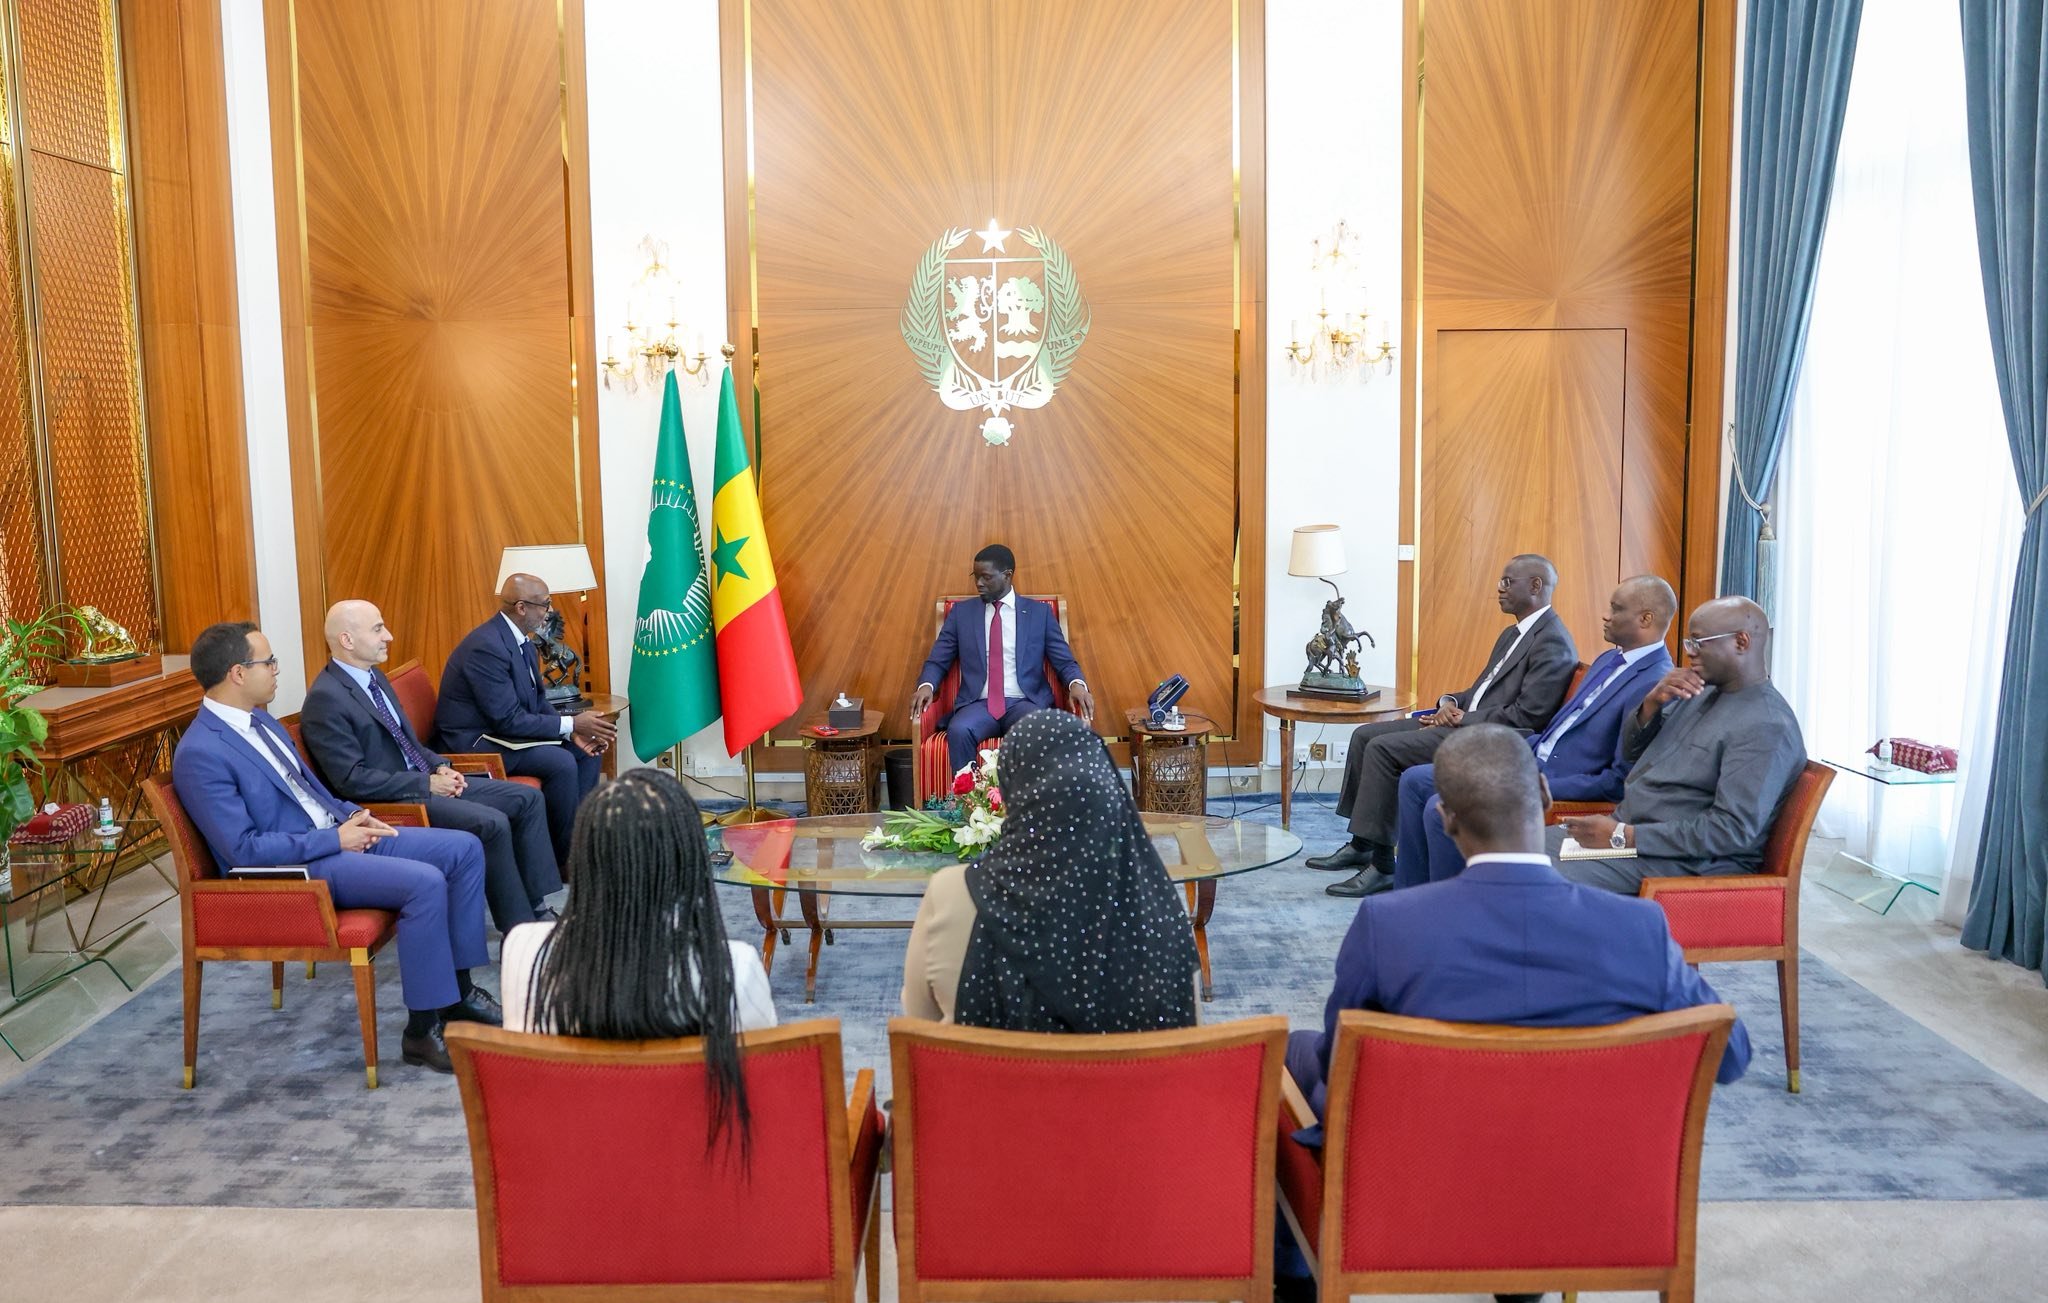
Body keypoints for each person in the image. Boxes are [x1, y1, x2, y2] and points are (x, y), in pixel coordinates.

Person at [1278, 725, 1749, 1303]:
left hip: (1423, 1188)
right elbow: (1728, 1055)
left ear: (1446, 819)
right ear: (1547, 799)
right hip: (1585, 1190)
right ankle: (1525, 1275)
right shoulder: (1640, 929)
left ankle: (1296, 1277)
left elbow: (1336, 1068)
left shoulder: (1390, 927)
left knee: (1292, 1057)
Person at [170, 622, 499, 1075]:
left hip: (336, 834)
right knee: (424, 883)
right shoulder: (201, 752)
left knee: (463, 849)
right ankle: (422, 1031)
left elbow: (309, 789)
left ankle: (457, 994)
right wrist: (334, 838)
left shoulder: (262, 719)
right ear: (238, 673)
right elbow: (244, 850)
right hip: (298, 867)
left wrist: (352, 814)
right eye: (268, 662)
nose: (277, 670)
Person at [500, 768, 774, 1154]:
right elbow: (758, 1095)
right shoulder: (731, 965)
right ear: (688, 861)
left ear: (584, 856)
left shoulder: (524, 950)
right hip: (693, 1180)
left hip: (567, 1178)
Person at [901, 708, 1198, 1031]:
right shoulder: (1159, 911)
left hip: (989, 1080)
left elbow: (920, 1030)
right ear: (1108, 793)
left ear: (1013, 794)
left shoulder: (951, 895)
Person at [1310, 554, 1578, 898]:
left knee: (1383, 750)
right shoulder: (1513, 634)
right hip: (1463, 721)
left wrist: (1463, 718)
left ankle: (1382, 866)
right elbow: (1480, 692)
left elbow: (1528, 717)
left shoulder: (1552, 642)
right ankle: (1362, 843)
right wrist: (1449, 702)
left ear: (1536, 586)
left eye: (1508, 582)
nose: (1499, 588)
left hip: (1489, 738)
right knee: (1364, 735)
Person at [1390, 576, 1677, 889]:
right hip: (1529, 758)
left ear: (1646, 619)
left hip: (1556, 782)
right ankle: (1410, 894)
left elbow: (1616, 781)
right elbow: (1561, 728)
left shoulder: (1654, 684)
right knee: (1415, 781)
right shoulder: (1609, 659)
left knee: (1440, 808)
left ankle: (1453, 908)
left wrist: (1536, 782)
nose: (1606, 615)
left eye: (1616, 608)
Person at [301, 600, 562, 932]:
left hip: (423, 781)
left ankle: (535, 902)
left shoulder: (374, 678)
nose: (389, 636)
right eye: (378, 629)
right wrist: (426, 785)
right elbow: (351, 781)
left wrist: (440, 767)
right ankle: (518, 926)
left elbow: (408, 743)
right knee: (492, 823)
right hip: (394, 799)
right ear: (347, 640)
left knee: (526, 799)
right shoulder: (326, 699)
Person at [1551, 595, 1807, 894]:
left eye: (1699, 643)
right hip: (1631, 835)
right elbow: (1634, 755)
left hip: (1684, 862)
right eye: (1689, 642)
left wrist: (1625, 836)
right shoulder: (1698, 691)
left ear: (1741, 641)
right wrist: (1650, 704)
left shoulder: (1766, 724)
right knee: (1502, 848)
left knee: (1523, 878)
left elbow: (1732, 831)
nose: (1689, 653)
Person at [436, 573, 615, 865]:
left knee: (587, 752)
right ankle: (562, 860)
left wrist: (572, 734)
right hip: (475, 742)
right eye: (544, 604)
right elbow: (507, 720)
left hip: (503, 732)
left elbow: (537, 702)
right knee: (560, 762)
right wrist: (571, 724)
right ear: (521, 608)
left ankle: (580, 845)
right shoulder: (486, 647)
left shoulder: (522, 642)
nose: (549, 611)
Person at [907, 543, 1095, 776]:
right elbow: (938, 660)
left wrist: (1077, 684)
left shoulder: (1039, 614)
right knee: (959, 729)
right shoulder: (962, 614)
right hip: (979, 704)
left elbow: (1064, 661)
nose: (979, 584)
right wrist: (926, 686)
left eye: (985, 577)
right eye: (975, 577)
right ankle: (970, 803)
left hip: (1025, 702)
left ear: (1007, 576)